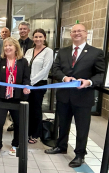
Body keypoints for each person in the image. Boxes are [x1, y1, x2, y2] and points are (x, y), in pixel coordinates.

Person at [45, 24, 105, 168]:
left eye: (80, 31)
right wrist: (64, 78)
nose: (77, 33)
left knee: (82, 127)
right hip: (64, 96)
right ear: (70, 35)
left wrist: (89, 81)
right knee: (63, 124)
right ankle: (61, 146)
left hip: (83, 96)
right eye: (74, 31)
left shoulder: (96, 53)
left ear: (86, 34)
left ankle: (80, 154)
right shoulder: (63, 51)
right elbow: (56, 69)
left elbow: (101, 74)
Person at [24, 28, 53, 144]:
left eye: (40, 37)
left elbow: (45, 70)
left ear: (44, 38)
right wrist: (25, 82)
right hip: (26, 84)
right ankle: (26, 131)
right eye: (36, 37)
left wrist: (30, 82)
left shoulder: (48, 51)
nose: (38, 39)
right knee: (27, 108)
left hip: (38, 84)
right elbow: (25, 66)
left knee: (36, 108)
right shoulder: (29, 51)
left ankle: (35, 134)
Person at [7, 21, 33, 132]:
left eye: (24, 28)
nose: (22, 30)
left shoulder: (33, 43)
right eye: (20, 29)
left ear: (28, 30)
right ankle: (15, 124)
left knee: (31, 108)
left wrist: (28, 83)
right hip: (15, 80)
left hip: (28, 81)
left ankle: (28, 130)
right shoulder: (14, 43)